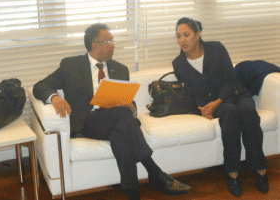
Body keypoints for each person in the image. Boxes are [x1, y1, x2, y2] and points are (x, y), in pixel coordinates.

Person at [33, 23, 191, 200]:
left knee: (119, 134)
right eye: (109, 41)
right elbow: (40, 86)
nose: (113, 45)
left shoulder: (120, 69)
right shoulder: (71, 65)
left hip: (115, 120)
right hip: (86, 122)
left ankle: (132, 192)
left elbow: (128, 101)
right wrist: (55, 97)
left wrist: (132, 108)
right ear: (95, 45)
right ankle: (155, 173)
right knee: (122, 118)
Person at [172, 17, 269, 198]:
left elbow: (230, 79)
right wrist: (204, 109)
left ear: (198, 34)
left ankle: (260, 170)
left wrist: (217, 101)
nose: (182, 40)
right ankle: (232, 174)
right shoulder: (178, 64)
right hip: (214, 104)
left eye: (186, 35)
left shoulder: (216, 48)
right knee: (230, 113)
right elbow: (192, 93)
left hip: (236, 93)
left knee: (248, 111)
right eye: (178, 36)